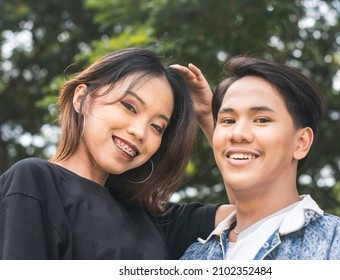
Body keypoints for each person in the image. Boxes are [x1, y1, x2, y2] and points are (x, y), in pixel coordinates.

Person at [0, 48, 232, 260]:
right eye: (129, 107)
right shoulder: (35, 181)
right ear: (82, 98)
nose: (140, 132)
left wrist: (207, 117)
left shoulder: (154, 219)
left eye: (157, 127)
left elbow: (259, 214)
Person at [178, 56, 340, 260]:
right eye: (228, 120)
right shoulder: (194, 255)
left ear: (301, 142)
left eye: (262, 120)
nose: (237, 134)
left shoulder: (336, 245)